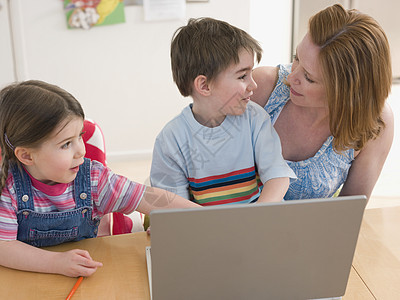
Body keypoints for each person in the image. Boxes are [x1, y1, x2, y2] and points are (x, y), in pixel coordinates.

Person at [0, 80, 201, 277]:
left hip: (87, 278)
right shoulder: (8, 188)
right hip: (27, 280)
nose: (81, 150)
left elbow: (149, 197)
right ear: (26, 156)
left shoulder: (96, 179)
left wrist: (207, 219)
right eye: (66, 144)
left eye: (80, 136)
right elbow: (4, 247)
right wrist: (57, 263)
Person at [251, 4, 394, 201]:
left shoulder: (375, 123)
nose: (291, 77)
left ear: (346, 93)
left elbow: (347, 215)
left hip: (308, 231)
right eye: (296, 58)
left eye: (309, 78)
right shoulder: (261, 88)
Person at [150, 17, 296, 206]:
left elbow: (278, 177)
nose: (253, 84)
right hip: (207, 229)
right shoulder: (171, 140)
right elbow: (173, 205)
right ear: (204, 85)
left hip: (260, 221)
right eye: (243, 76)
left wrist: (258, 217)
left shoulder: (255, 118)